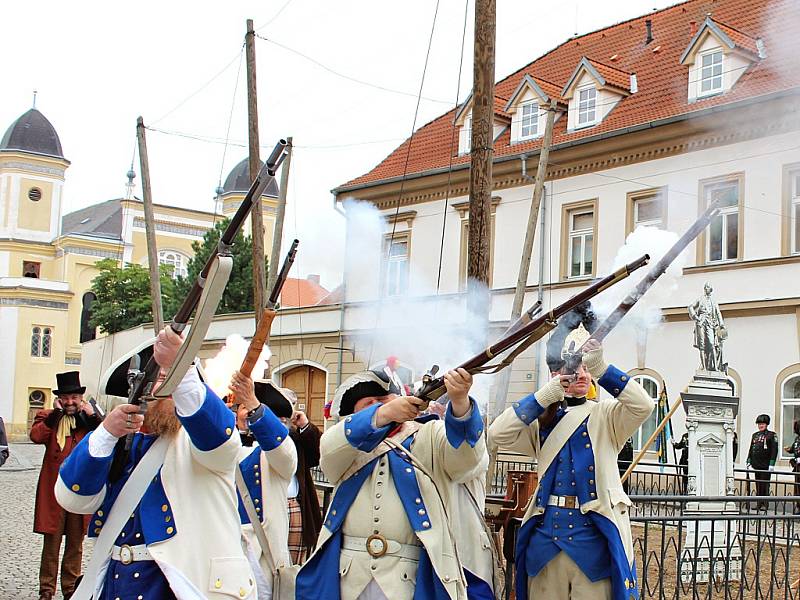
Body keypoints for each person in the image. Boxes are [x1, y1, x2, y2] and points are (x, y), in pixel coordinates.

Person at [55, 327, 259, 600]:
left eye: (175, 379)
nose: (168, 387)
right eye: (160, 378)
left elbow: (221, 441)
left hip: (181, 586)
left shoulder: (201, 440)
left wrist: (179, 365)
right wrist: (106, 432)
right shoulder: (121, 445)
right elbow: (73, 498)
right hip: (118, 586)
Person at [488, 305, 654, 600]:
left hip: (592, 545)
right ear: (554, 374)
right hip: (545, 544)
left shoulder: (605, 416)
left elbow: (643, 405)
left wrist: (602, 367)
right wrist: (544, 396)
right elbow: (498, 434)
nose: (579, 374)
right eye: (571, 368)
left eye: (585, 369)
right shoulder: (542, 417)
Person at [296, 366, 491, 600]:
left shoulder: (428, 434)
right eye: (369, 403)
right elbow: (328, 454)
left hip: (408, 577)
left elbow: (465, 461)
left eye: (383, 399)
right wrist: (384, 414)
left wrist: (460, 403)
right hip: (348, 576)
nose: (378, 406)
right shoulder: (347, 440)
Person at [29, 371, 101, 600]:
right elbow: (36, 436)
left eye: (74, 398)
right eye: (66, 398)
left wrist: (94, 417)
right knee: (51, 543)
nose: (70, 402)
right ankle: (46, 590)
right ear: (60, 399)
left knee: (75, 542)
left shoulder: (88, 422)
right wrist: (55, 415)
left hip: (79, 492)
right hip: (54, 493)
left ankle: (70, 588)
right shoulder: (48, 417)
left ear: (81, 399)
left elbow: (106, 437)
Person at [229, 371, 298, 599]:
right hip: (225, 549)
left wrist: (252, 401)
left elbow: (283, 453)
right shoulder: (222, 446)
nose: (246, 413)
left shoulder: (278, 451)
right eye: (242, 407)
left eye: (254, 410)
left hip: (261, 553)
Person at [286, 401, 323, 565]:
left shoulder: (295, 437)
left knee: (291, 567)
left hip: (294, 505)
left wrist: (305, 425)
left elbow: (318, 453)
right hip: (264, 508)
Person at [747, 414, 778, 511]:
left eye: (762, 424)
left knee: (764, 485)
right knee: (758, 484)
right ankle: (758, 503)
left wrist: (771, 464)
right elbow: (751, 448)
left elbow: (774, 450)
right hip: (756, 464)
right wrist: (748, 460)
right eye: (759, 424)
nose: (760, 426)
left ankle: (765, 504)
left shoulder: (771, 435)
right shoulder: (755, 435)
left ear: (766, 424)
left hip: (765, 464)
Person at [783, 420, 800, 515]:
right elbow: (794, 449)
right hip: (797, 467)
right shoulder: (797, 439)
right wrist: (789, 449)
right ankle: (798, 506)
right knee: (797, 488)